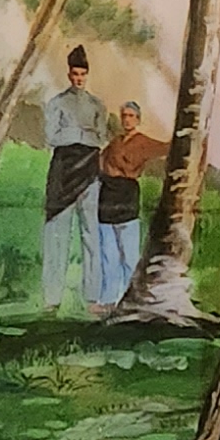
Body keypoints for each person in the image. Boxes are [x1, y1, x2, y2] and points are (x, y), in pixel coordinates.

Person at [39, 48, 107, 311]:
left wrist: (75, 134)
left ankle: (92, 299)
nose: (79, 78)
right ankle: (51, 299)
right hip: (63, 171)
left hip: (89, 171)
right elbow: (52, 137)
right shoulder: (57, 103)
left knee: (91, 234)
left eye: (82, 74)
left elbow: (100, 139)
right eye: (75, 73)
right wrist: (81, 134)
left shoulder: (97, 105)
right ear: (69, 74)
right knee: (57, 234)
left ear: (87, 75)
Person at [93, 100, 162, 306]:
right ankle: (108, 300)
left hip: (127, 197)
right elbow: (99, 163)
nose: (127, 120)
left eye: (131, 116)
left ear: (138, 119)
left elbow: (168, 148)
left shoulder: (143, 142)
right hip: (107, 199)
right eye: (124, 116)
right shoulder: (115, 142)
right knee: (108, 255)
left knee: (129, 256)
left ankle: (129, 299)